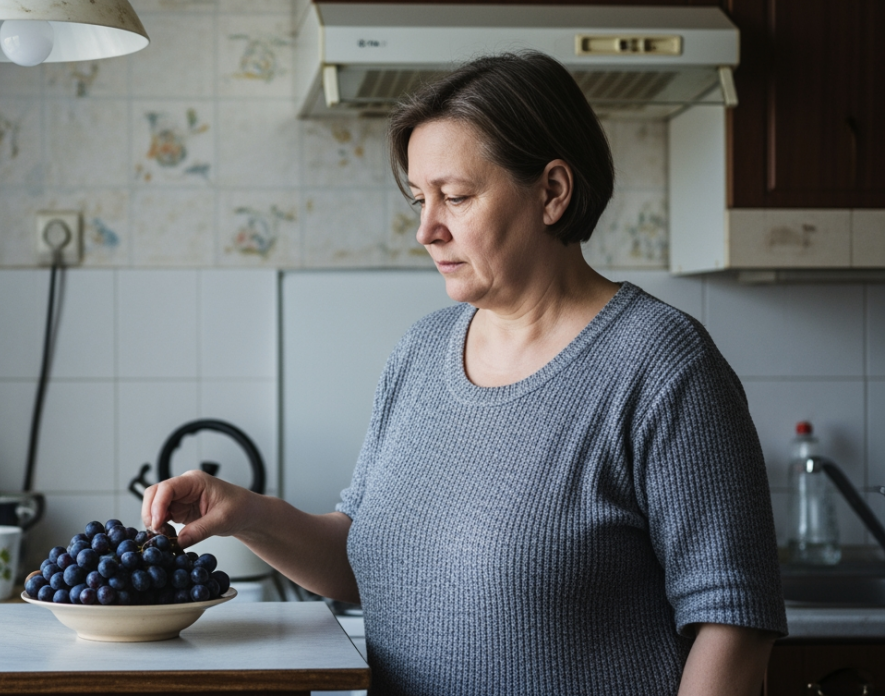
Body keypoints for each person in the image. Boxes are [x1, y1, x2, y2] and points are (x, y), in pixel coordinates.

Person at [142, 52, 786, 696]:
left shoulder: (663, 365)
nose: (427, 229)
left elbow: (733, 628)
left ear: (552, 193)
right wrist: (247, 514)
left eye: (456, 197)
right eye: (420, 199)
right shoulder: (420, 354)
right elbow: (359, 563)